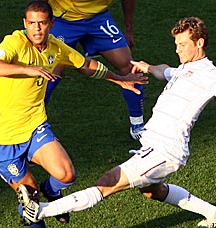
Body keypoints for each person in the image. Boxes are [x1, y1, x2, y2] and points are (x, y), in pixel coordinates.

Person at [18, 17, 216, 228]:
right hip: (154, 145)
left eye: (183, 45)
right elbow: (165, 72)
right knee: (152, 191)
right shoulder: (186, 69)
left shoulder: (210, 74)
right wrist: (148, 67)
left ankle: (40, 211)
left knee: (107, 182)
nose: (178, 50)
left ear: (199, 43)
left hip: (165, 151)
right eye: (176, 45)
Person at [0, 1, 146, 228]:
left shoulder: (57, 47)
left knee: (66, 175)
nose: (37, 29)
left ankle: (50, 191)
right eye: (32, 23)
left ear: (51, 24)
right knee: (28, 197)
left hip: (34, 125)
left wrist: (119, 80)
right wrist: (26, 69)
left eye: (43, 23)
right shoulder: (13, 43)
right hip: (1, 139)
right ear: (25, 24)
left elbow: (86, 65)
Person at [38, 0, 146, 140]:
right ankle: (36, 127)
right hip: (64, 20)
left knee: (129, 66)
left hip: (98, 19)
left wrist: (129, 29)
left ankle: (137, 126)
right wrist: (40, 26)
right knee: (51, 72)